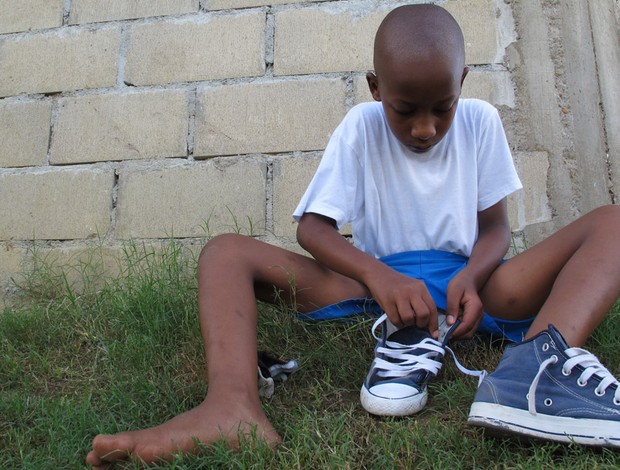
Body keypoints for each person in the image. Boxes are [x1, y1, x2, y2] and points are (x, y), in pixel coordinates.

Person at [86, 4, 620, 466]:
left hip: (471, 288)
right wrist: (378, 274)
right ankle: (231, 405)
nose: (425, 128)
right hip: (374, 290)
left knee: (613, 223)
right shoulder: (360, 129)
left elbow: (496, 230)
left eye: (442, 108)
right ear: (375, 88)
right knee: (225, 252)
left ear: (461, 84)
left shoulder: (481, 122)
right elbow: (313, 230)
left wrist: (474, 277)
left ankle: (538, 364)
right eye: (404, 110)